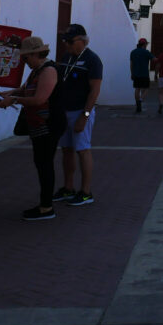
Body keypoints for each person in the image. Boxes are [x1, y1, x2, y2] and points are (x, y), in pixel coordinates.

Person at [0, 36, 66, 221]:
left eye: (26, 58)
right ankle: (45, 204)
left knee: (44, 164)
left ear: (36, 54)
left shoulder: (48, 71)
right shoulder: (37, 70)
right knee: (42, 162)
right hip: (39, 124)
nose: (24, 61)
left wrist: (14, 100)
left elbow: (39, 99)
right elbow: (26, 89)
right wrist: (11, 93)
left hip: (49, 124)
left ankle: (46, 207)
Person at [54, 23, 102, 207]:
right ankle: (68, 187)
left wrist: (85, 115)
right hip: (64, 110)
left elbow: (94, 91)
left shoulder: (92, 60)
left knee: (82, 150)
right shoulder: (66, 56)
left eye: (71, 41)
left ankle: (86, 192)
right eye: (65, 41)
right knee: (66, 150)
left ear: (82, 41)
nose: (67, 45)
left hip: (80, 111)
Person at [129, 38, 154, 114]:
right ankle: (141, 100)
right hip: (144, 74)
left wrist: (132, 73)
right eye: (146, 44)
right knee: (146, 88)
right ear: (144, 44)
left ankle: (137, 103)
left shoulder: (133, 52)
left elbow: (131, 64)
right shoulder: (146, 52)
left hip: (136, 74)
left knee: (137, 89)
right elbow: (154, 59)